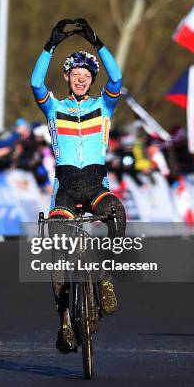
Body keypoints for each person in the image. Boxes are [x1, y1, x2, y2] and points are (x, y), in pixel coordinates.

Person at [30, 18, 126, 353]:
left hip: (95, 183)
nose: (81, 79)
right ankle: (66, 324)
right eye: (76, 75)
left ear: (91, 81)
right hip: (66, 186)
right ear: (68, 78)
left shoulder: (104, 104)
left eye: (87, 75)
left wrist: (97, 42)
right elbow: (34, 81)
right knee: (59, 253)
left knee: (116, 212)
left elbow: (117, 77)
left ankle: (106, 277)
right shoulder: (54, 108)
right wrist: (51, 45)